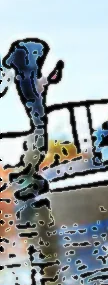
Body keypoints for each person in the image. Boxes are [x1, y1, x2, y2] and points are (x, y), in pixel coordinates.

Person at [0, 39, 63, 199]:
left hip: (34, 116)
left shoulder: (28, 77)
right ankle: (28, 172)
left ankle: (29, 173)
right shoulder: (25, 76)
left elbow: (46, 82)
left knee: (37, 135)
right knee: (36, 135)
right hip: (31, 115)